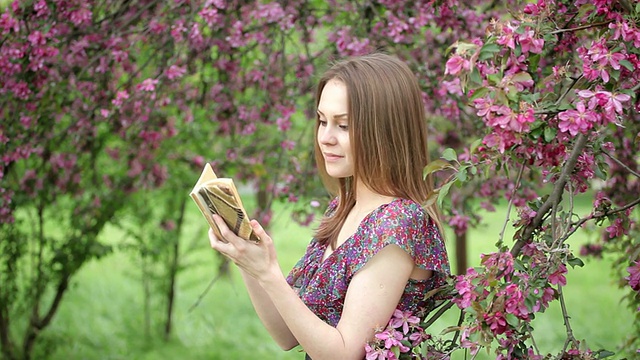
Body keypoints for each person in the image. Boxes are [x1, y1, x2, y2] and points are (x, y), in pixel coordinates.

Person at [208, 52, 450, 360]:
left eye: (343, 125)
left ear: (385, 130)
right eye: (322, 121)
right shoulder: (344, 208)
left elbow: (344, 354)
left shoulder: (398, 223)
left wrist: (269, 274)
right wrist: (250, 261)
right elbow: (287, 335)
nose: (325, 138)